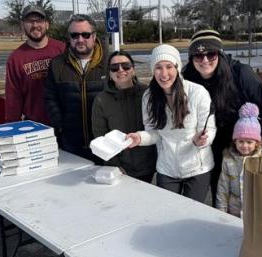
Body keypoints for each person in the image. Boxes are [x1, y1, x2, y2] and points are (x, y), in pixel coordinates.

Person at [182, 29, 262, 196]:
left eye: (211, 54)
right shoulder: (186, 78)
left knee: (249, 199)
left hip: (243, 148)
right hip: (209, 149)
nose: (205, 60)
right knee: (220, 197)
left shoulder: (241, 74)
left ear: (220, 54)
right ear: (192, 58)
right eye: (198, 56)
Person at [127, 44, 216, 203]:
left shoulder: (197, 92)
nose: (164, 73)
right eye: (158, 67)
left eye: (169, 67)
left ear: (177, 68)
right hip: (166, 168)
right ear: (153, 70)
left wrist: (203, 139)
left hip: (197, 168)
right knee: (168, 212)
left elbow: (209, 128)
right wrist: (140, 138)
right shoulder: (148, 97)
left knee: (191, 216)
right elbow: (154, 133)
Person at [45, 14, 107, 159]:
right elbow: (50, 98)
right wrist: (60, 126)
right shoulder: (57, 64)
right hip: (71, 145)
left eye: (85, 35)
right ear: (69, 37)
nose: (80, 40)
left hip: (104, 145)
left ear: (94, 35)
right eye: (75, 35)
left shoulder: (111, 64)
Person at [91, 51, 157, 182]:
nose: (120, 70)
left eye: (126, 66)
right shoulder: (101, 100)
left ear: (133, 70)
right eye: (114, 67)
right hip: (120, 168)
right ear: (109, 73)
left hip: (148, 165)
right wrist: (114, 165)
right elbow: (100, 135)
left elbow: (158, 128)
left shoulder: (148, 94)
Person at [4, 5, 65, 124]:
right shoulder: (16, 59)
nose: (35, 25)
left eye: (39, 21)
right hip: (35, 127)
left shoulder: (62, 50)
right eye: (30, 21)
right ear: (22, 25)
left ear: (47, 24)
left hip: (66, 125)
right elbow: (13, 99)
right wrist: (13, 127)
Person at [216, 102, 262, 218]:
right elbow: (223, 186)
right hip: (234, 210)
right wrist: (220, 211)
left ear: (257, 143)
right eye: (241, 141)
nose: (244, 146)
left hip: (256, 212)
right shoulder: (228, 159)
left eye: (249, 142)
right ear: (235, 141)